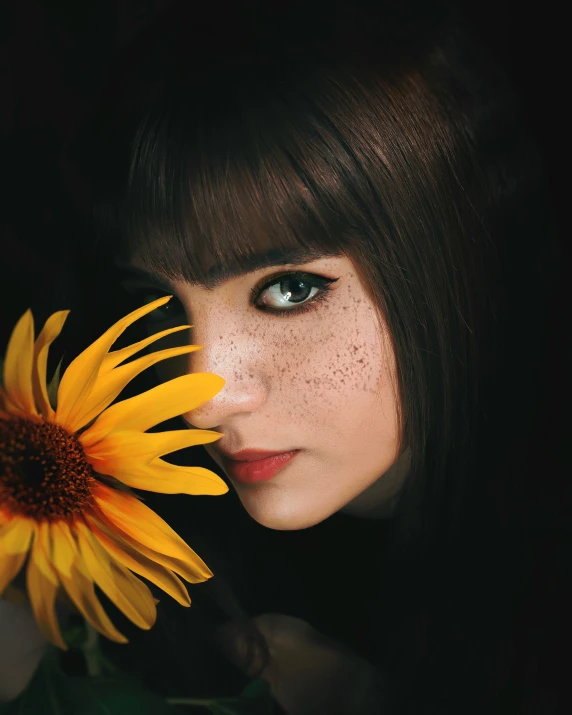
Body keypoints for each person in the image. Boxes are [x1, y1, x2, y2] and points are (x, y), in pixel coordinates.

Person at [2, 1, 565, 713]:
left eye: (290, 289)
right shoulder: (135, 547)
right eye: (159, 304)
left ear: (456, 261)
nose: (203, 395)